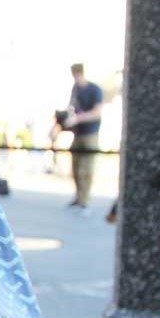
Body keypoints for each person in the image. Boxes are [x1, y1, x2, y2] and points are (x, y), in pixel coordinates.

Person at [52, 63, 103, 211]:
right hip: (77, 133)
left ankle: (84, 200)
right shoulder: (76, 89)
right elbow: (71, 108)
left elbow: (96, 113)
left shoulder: (94, 89)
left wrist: (78, 119)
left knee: (86, 169)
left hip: (90, 133)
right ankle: (78, 196)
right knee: (76, 167)